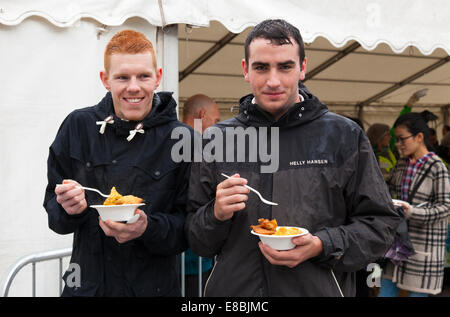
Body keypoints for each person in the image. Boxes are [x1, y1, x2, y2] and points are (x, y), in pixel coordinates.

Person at [185, 19, 401, 297]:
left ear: (302, 68)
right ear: (245, 70)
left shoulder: (343, 135)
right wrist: (215, 213)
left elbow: (381, 226)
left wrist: (323, 244)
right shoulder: (217, 140)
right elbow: (196, 239)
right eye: (261, 67)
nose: (273, 80)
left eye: (285, 66)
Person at [44, 30, 191, 296]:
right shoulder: (78, 127)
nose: (133, 87)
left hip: (153, 289)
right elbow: (54, 216)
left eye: (143, 76)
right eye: (122, 77)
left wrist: (148, 227)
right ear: (105, 80)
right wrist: (68, 209)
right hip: (87, 288)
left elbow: (189, 229)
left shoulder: (183, 139)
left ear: (157, 77)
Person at [379, 112, 450, 297]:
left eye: (402, 139)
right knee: (385, 291)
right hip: (398, 245)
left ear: (419, 137)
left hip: (423, 246)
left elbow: (445, 207)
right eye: (396, 140)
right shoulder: (401, 164)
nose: (398, 144)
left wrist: (412, 212)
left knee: (418, 294)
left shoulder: (437, 167)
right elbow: (389, 190)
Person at [181, 94, 220, 296]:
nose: (217, 127)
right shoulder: (202, 146)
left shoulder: (172, 140)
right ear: (202, 115)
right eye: (215, 121)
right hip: (194, 258)